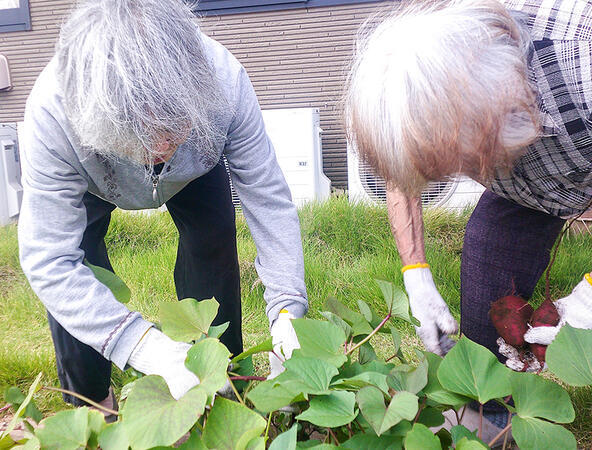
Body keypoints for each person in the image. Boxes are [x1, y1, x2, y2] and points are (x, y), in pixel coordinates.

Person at [18, 0, 306, 414]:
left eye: (171, 128)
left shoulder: (225, 81)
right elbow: (49, 259)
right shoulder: (53, 114)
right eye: (141, 135)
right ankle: (94, 405)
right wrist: (141, 344)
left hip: (198, 164)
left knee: (213, 246)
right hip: (94, 179)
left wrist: (287, 312)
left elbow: (268, 199)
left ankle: (219, 387)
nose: (159, 151)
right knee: (81, 268)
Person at [345, 0, 592, 442]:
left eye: (463, 161)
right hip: (527, 177)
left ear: (497, 108)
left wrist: (590, 293)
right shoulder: (430, 82)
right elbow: (402, 178)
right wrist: (416, 276)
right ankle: (490, 415)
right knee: (486, 257)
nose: (464, 174)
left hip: (578, 148)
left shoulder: (581, 57)